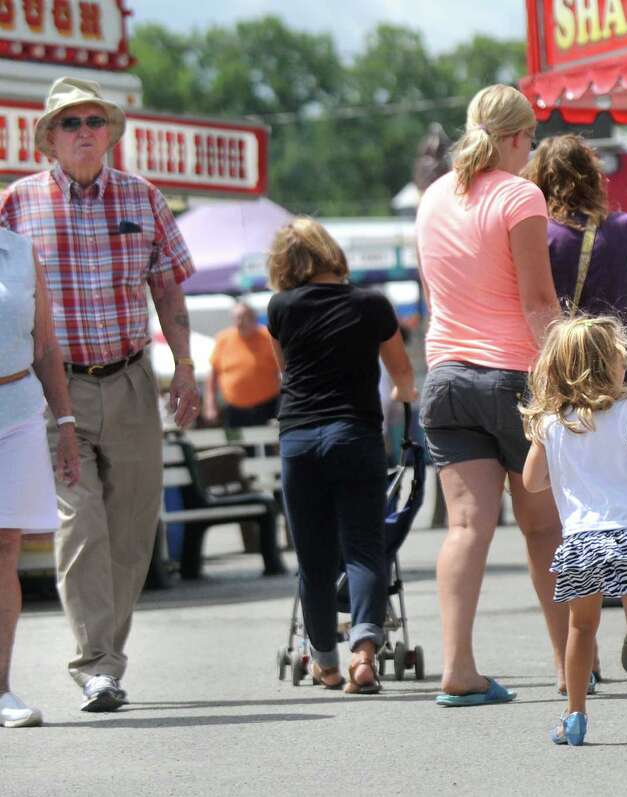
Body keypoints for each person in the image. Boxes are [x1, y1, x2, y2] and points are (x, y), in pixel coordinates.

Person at [0, 77, 198, 713]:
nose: (84, 131)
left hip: (134, 378)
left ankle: (106, 655)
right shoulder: (14, 206)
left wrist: (187, 367)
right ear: (48, 139)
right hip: (55, 392)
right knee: (80, 521)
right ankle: (96, 667)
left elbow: (167, 290)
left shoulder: (144, 197)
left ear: (111, 131)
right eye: (70, 123)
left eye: (94, 120)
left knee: (133, 530)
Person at [414, 84, 565, 706]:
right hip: (514, 378)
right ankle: (569, 664)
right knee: (543, 529)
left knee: (466, 528)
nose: (530, 150)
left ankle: (459, 667)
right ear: (513, 137)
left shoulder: (432, 199)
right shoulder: (518, 194)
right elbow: (537, 303)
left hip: (446, 377)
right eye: (529, 138)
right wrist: (568, 370)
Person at [523, 133, 627, 679]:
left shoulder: (538, 235)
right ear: (593, 176)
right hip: (621, 379)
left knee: (575, 495)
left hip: (558, 384)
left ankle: (579, 645)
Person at [520, 316, 627, 747]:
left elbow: (531, 482)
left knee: (581, 629)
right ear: (606, 366)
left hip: (582, 541)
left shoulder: (550, 423)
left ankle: (574, 716)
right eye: (621, 361)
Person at [267, 218, 416, 693]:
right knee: (364, 548)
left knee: (313, 559)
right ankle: (364, 652)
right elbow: (403, 379)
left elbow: (284, 373)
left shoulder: (280, 308)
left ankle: (325, 663)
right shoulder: (371, 304)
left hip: (299, 439)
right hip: (354, 435)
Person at [1, 228, 81, 728]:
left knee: (5, 546)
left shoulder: (20, 251)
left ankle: (1, 689)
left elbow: (45, 344)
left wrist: (66, 424)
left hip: (16, 411)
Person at [203, 300, 280, 428]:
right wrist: (210, 405)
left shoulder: (268, 337)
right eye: (236, 318)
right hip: (234, 409)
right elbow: (212, 374)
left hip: (267, 406)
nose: (239, 323)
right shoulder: (224, 339)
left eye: (243, 318)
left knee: (267, 445)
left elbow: (284, 369)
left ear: (254, 318)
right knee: (238, 446)